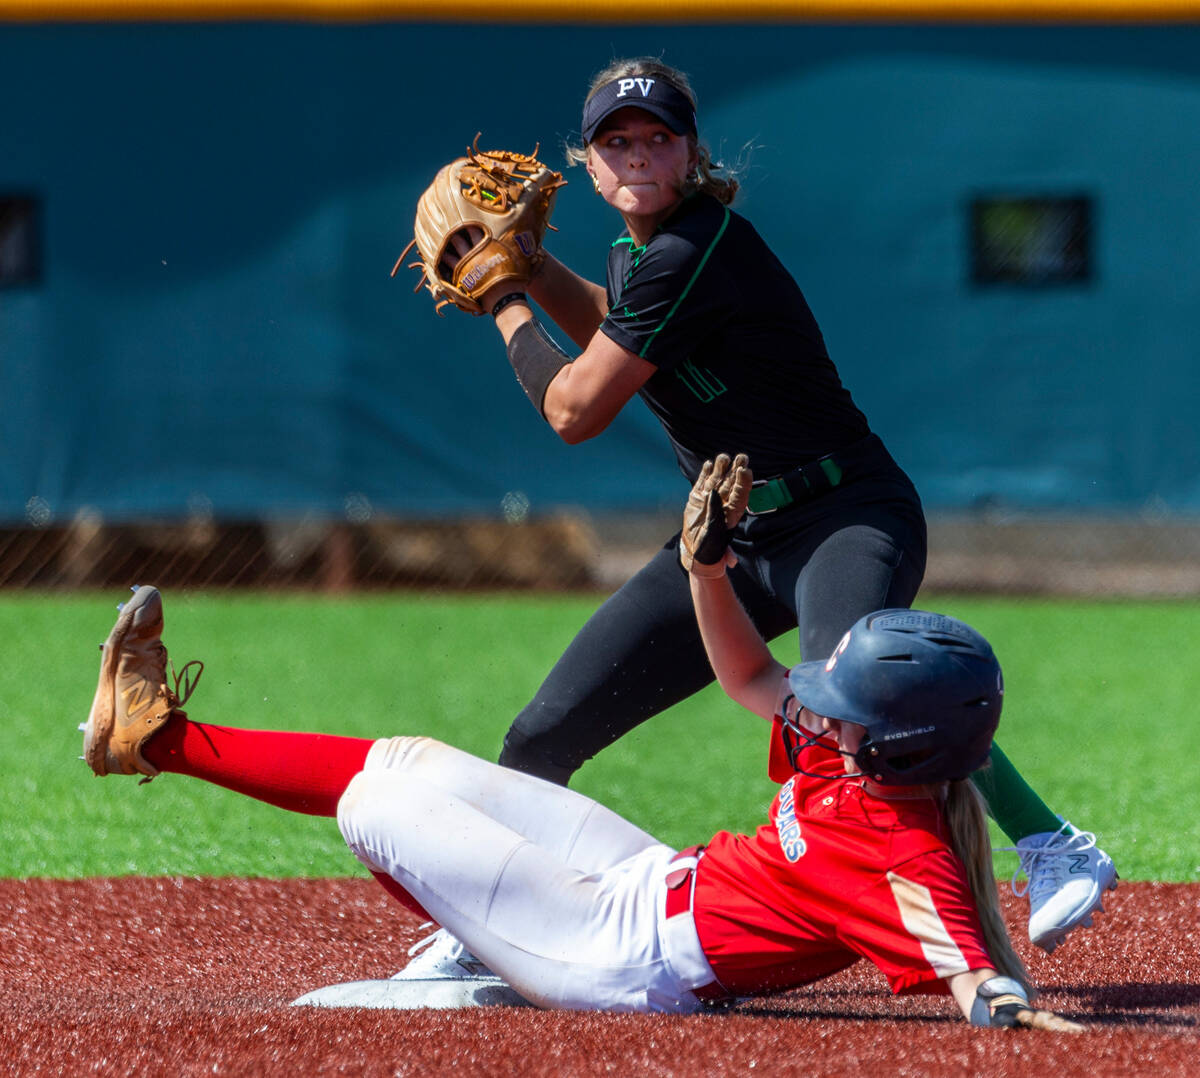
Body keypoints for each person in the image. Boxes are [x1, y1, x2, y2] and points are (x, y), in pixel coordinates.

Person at [413, 54, 1115, 973]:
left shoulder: (693, 246)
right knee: (542, 733)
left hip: (845, 516)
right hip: (733, 535)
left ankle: (1051, 841)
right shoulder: (645, 255)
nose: (636, 154)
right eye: (614, 141)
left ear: (690, 150)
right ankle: (484, 927)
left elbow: (576, 410)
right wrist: (537, 269)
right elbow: (614, 330)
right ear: (586, 164)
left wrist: (503, 297)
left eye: (656, 137)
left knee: (861, 701)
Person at [80, 568, 1081, 1029]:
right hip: (650, 879)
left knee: (377, 808)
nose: (817, 712)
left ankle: (489, 932)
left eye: (844, 709)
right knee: (414, 759)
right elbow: (746, 677)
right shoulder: (851, 756)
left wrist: (1001, 1002)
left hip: (622, 957)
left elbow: (967, 960)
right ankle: (152, 737)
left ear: (902, 743)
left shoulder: (900, 846)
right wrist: (706, 571)